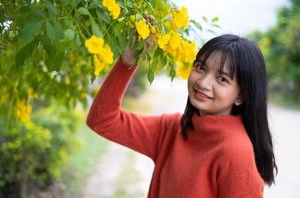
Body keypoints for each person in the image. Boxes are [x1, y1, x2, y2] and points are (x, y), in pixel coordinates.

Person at [86, 34, 278, 198]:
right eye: (201, 67)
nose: (203, 82)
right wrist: (127, 63)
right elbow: (102, 120)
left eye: (222, 79)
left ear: (241, 95)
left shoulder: (236, 152)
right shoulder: (171, 128)